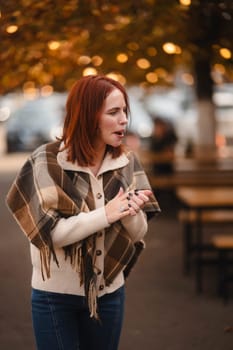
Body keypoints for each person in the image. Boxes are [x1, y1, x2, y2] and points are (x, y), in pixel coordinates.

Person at [6, 75, 160, 350]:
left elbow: (137, 234)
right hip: (54, 296)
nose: (124, 119)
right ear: (88, 116)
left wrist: (131, 213)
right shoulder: (47, 160)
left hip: (109, 292)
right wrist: (107, 214)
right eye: (114, 112)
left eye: (125, 111)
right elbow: (49, 233)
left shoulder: (125, 161)